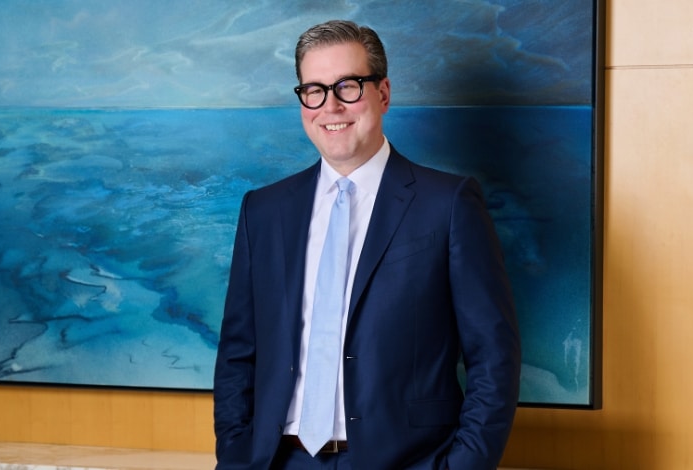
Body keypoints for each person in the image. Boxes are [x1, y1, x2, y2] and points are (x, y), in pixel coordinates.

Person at [213, 20, 522, 470]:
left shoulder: (448, 204)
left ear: (384, 93)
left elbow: (494, 355)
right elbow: (238, 353)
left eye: (348, 86)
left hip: (406, 461)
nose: (330, 106)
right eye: (314, 90)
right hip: (278, 461)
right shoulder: (263, 211)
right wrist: (236, 455)